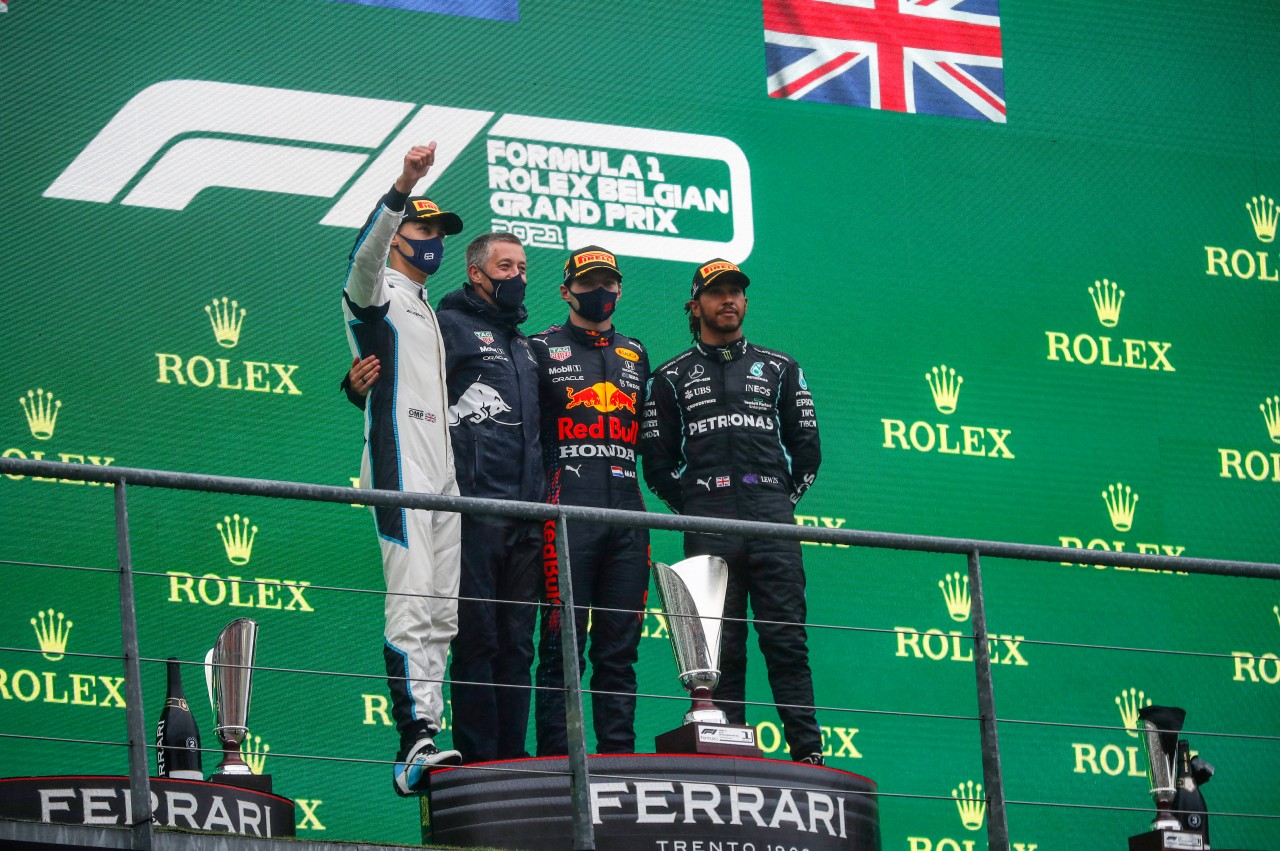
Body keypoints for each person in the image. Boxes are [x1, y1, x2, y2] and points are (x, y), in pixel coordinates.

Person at [345, 233, 544, 765]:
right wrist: (356, 386)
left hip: (484, 498)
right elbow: (390, 363)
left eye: (523, 266)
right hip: (454, 494)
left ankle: (447, 742)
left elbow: (422, 384)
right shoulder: (442, 319)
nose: (517, 276)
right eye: (506, 266)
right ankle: (423, 742)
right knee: (439, 618)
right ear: (477, 272)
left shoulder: (514, 340)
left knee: (452, 623)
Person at [639, 258, 824, 764]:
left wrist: (777, 503)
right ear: (694, 305)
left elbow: (807, 453)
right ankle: (729, 752)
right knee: (720, 651)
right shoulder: (670, 377)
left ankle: (807, 752)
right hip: (709, 520)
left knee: (786, 641)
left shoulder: (781, 367)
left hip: (770, 519)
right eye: (717, 292)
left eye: (737, 291)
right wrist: (699, 506)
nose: (729, 300)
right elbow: (656, 465)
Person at [341, 143, 465, 795]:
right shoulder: (379, 290)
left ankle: (430, 734)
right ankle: (410, 734)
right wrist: (403, 185)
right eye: (423, 229)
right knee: (412, 599)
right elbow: (359, 259)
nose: (433, 240)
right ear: (397, 237)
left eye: (440, 232)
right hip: (398, 465)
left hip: (442, 476)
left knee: (443, 610)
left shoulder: (428, 307)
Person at [529, 246, 651, 756]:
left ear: (620, 289)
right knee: (562, 649)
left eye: (609, 282)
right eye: (588, 283)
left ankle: (619, 759)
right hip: (565, 511)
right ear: (565, 291)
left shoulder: (636, 353)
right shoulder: (538, 348)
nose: (600, 292)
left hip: (627, 512)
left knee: (620, 650)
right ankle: (560, 763)